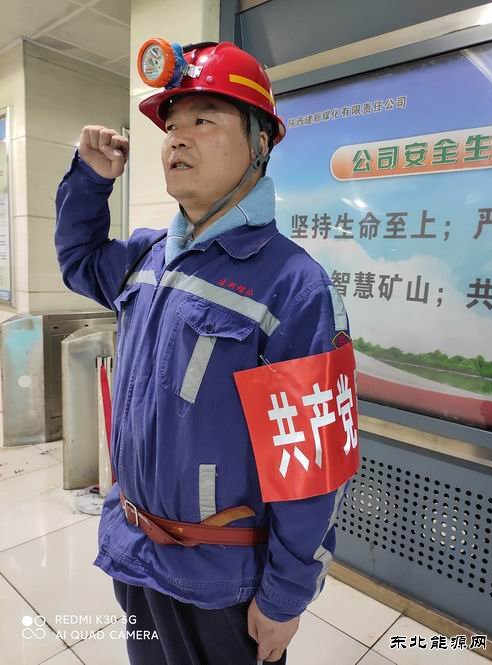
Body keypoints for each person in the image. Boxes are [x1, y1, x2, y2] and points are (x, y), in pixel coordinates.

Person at [55, 40, 357, 665]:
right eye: (171, 126)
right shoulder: (146, 257)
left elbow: (311, 464)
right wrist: (90, 181)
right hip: (135, 554)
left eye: (204, 120)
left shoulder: (293, 286)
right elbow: (79, 261)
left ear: (259, 144)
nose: (177, 139)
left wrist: (285, 597)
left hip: (222, 584)